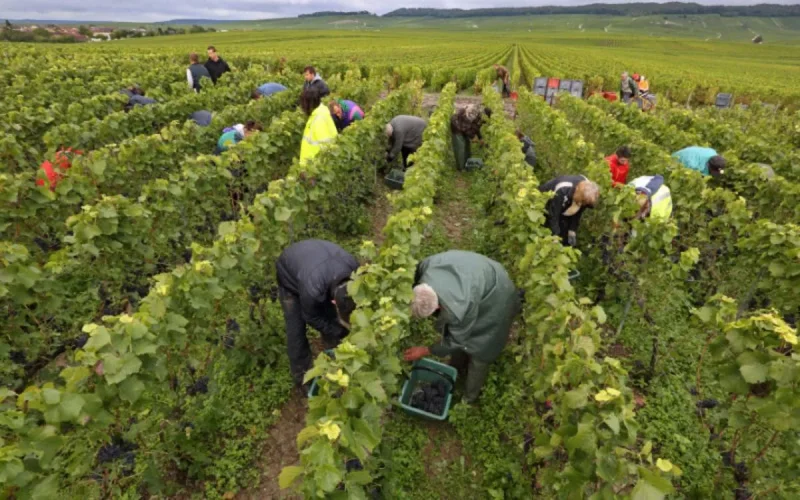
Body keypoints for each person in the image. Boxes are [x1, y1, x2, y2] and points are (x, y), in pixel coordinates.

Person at [405, 250, 520, 403]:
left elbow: (455, 340)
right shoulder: (426, 267)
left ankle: (469, 397)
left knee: (483, 348)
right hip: (477, 272)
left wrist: (425, 350)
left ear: (438, 307)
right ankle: (456, 368)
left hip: (499, 294)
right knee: (462, 338)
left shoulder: (457, 310)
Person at [276, 239, 358, 390]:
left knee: (331, 320)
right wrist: (338, 331)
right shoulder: (313, 291)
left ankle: (334, 356)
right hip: (289, 272)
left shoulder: (355, 271)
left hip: (317, 262)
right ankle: (303, 378)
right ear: (333, 301)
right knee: (296, 330)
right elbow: (311, 317)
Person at [538, 175, 600, 247]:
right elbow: (553, 215)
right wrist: (555, 235)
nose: (583, 204)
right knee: (546, 231)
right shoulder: (563, 189)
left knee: (564, 235)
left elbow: (579, 211)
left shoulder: (588, 192)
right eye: (582, 201)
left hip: (564, 204)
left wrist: (572, 229)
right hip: (545, 203)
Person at [299, 88, 338, 164]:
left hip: (314, 166)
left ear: (309, 103)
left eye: (303, 104)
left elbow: (325, 148)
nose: (302, 107)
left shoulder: (319, 120)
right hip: (311, 165)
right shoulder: (318, 114)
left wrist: (314, 168)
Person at [451, 104, 490, 171]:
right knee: (460, 148)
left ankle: (466, 165)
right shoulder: (474, 113)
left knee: (466, 147)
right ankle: (461, 168)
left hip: (464, 127)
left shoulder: (480, 116)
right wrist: (472, 137)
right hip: (457, 125)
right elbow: (466, 126)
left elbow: (476, 126)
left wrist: (480, 138)